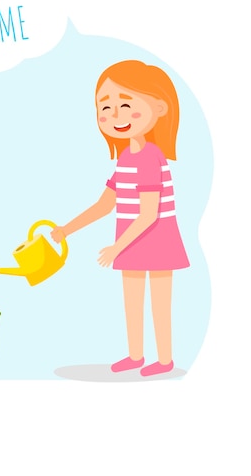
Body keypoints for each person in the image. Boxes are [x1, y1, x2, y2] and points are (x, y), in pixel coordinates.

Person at [51, 60, 188, 377]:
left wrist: (115, 247)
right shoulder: (126, 158)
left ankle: (165, 359)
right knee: (132, 302)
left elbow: (150, 213)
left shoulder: (152, 158)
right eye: (106, 106)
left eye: (126, 104)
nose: (115, 115)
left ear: (158, 107)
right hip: (130, 240)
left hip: (157, 239)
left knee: (159, 303)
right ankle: (136, 355)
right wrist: (66, 230)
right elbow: (104, 204)